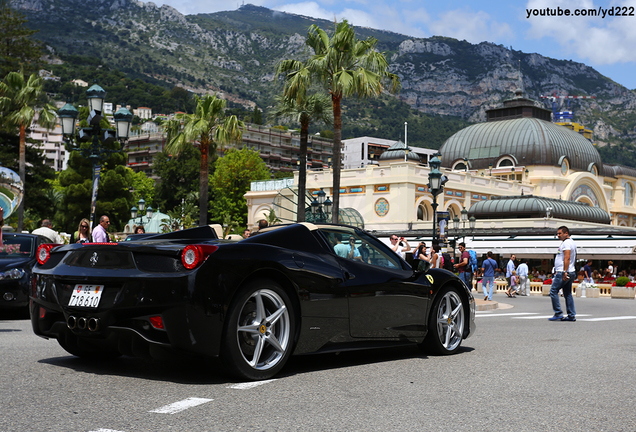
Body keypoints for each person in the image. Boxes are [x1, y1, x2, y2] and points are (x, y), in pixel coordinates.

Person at [549, 225, 577, 321]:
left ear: (566, 233)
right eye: (557, 233)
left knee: (553, 291)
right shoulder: (572, 242)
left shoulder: (566, 243)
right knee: (567, 293)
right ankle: (571, 315)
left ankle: (558, 313)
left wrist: (565, 271)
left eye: (560, 233)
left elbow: (567, 257)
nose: (558, 235)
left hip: (563, 271)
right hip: (570, 271)